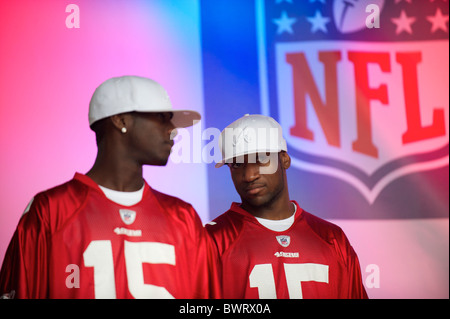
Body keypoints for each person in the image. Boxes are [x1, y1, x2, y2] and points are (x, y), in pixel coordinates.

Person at [0, 75, 220, 299]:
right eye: (162, 118)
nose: (172, 130)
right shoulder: (51, 210)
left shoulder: (183, 217)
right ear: (121, 120)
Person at [206, 114, 368, 299]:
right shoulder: (213, 240)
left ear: (284, 159)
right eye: (236, 164)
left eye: (260, 159)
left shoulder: (332, 238)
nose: (249, 175)